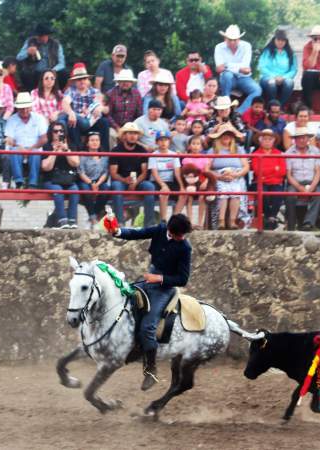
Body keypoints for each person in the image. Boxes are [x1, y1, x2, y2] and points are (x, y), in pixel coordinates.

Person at [105, 214, 193, 391]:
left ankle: (150, 371)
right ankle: (133, 346)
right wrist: (117, 231)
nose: (182, 238)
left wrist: (158, 278)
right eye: (179, 235)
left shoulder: (185, 247)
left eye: (183, 235)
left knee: (148, 326)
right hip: (147, 281)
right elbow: (137, 233)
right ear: (170, 231)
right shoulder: (160, 230)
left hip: (164, 289)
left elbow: (182, 279)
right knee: (124, 308)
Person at [109, 122, 155, 227]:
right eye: (130, 133)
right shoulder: (116, 150)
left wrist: (136, 182)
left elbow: (144, 172)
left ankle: (149, 224)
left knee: (150, 186)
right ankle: (120, 222)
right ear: (124, 135)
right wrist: (125, 180)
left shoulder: (142, 150)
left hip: (138, 181)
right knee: (116, 186)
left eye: (135, 133)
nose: (133, 136)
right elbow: (113, 173)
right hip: (121, 181)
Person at [207, 122, 249, 229]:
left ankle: (233, 221)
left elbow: (246, 167)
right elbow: (206, 169)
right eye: (223, 134)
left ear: (232, 137)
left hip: (236, 176)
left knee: (236, 191)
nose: (226, 137)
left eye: (229, 134)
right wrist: (218, 176)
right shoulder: (213, 150)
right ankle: (221, 221)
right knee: (223, 191)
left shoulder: (239, 149)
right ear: (219, 136)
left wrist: (236, 175)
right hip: (219, 176)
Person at [214, 24, 262, 114]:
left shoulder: (246, 46)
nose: (232, 42)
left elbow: (246, 68)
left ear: (239, 39)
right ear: (225, 38)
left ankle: (239, 113)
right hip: (228, 78)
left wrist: (227, 65)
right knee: (227, 76)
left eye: (235, 40)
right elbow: (219, 68)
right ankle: (225, 108)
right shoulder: (219, 47)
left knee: (257, 90)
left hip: (243, 78)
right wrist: (239, 68)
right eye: (230, 39)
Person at [4, 92, 49, 188]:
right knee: (13, 151)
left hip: (35, 147)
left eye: (27, 107)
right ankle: (18, 181)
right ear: (17, 108)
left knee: (35, 152)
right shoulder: (12, 119)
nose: (24, 110)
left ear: (31, 107)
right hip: (18, 148)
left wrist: (30, 149)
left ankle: (33, 183)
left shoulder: (39, 118)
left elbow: (44, 138)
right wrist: (19, 147)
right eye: (22, 108)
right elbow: (9, 139)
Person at [41, 122, 80, 228]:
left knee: (75, 190)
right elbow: (46, 167)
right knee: (58, 190)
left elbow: (76, 163)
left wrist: (66, 150)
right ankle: (62, 221)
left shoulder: (71, 146)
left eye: (61, 131)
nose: (58, 133)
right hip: (51, 180)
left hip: (68, 180)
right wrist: (54, 151)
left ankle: (72, 221)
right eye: (55, 131)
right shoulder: (47, 146)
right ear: (51, 133)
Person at [62, 63, 110, 151]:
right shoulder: (71, 91)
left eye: (84, 78)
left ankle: (105, 153)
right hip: (78, 122)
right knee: (72, 121)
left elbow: (107, 109)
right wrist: (71, 112)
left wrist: (101, 108)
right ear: (75, 81)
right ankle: (77, 151)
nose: (82, 81)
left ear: (87, 79)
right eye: (79, 79)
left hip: (92, 121)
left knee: (105, 122)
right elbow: (65, 102)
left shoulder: (94, 91)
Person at [284, 127, 320, 231]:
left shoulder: (316, 151)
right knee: (290, 195)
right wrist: (300, 188)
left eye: (304, 137)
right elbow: (289, 174)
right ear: (295, 139)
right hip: (295, 182)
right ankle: (291, 225)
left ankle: (308, 223)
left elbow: (318, 172)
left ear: (308, 139)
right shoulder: (289, 152)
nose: (301, 140)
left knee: (319, 193)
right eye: (299, 138)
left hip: (312, 181)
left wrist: (311, 187)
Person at [250, 129, 287, 230]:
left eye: (269, 139)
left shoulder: (279, 153)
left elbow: (283, 171)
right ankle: (269, 216)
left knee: (278, 194)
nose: (267, 141)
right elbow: (258, 171)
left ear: (273, 141)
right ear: (260, 141)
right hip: (260, 182)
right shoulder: (255, 154)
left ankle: (272, 217)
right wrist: (274, 170)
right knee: (263, 193)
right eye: (265, 139)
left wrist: (266, 173)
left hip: (275, 182)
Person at [16, 23, 67, 91]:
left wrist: (53, 70)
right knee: (24, 73)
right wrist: (27, 52)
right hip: (34, 72)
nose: (40, 38)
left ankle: (58, 93)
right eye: (38, 36)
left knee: (63, 73)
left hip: (51, 71)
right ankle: (31, 95)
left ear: (47, 35)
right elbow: (18, 57)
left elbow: (62, 63)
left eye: (42, 36)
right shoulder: (30, 42)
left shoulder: (56, 44)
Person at [77, 132, 111, 229]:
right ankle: (93, 218)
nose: (95, 142)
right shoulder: (83, 155)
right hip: (86, 180)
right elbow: (81, 172)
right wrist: (91, 183)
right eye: (92, 140)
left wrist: (98, 184)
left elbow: (105, 173)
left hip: (99, 181)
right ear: (87, 143)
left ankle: (93, 216)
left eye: (97, 140)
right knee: (85, 190)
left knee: (106, 190)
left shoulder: (104, 156)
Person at [150, 130, 186, 221]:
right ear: (156, 142)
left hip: (170, 181)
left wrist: (181, 186)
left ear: (169, 141)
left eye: (166, 140)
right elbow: (154, 173)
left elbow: (177, 172)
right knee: (164, 193)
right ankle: (163, 219)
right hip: (157, 182)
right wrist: (163, 185)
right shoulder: (153, 155)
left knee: (184, 194)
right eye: (161, 140)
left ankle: (174, 218)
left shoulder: (173, 154)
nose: (163, 142)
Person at [257, 28, 297, 107]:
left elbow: (294, 70)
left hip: (284, 78)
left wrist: (283, 77)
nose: (280, 42)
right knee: (271, 83)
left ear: (286, 41)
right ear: (274, 40)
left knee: (289, 83)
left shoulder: (290, 54)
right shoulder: (267, 51)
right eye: (278, 39)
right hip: (268, 77)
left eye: (283, 40)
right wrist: (274, 77)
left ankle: (280, 106)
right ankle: (271, 106)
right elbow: (261, 67)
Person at [181, 135, 214, 228]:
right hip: (190, 182)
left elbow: (207, 172)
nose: (195, 146)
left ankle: (200, 223)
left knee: (201, 197)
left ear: (201, 146)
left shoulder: (205, 158)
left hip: (202, 182)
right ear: (189, 146)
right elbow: (186, 173)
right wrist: (189, 182)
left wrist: (206, 182)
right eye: (193, 144)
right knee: (189, 198)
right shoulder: (186, 159)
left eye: (198, 144)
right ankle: (190, 223)